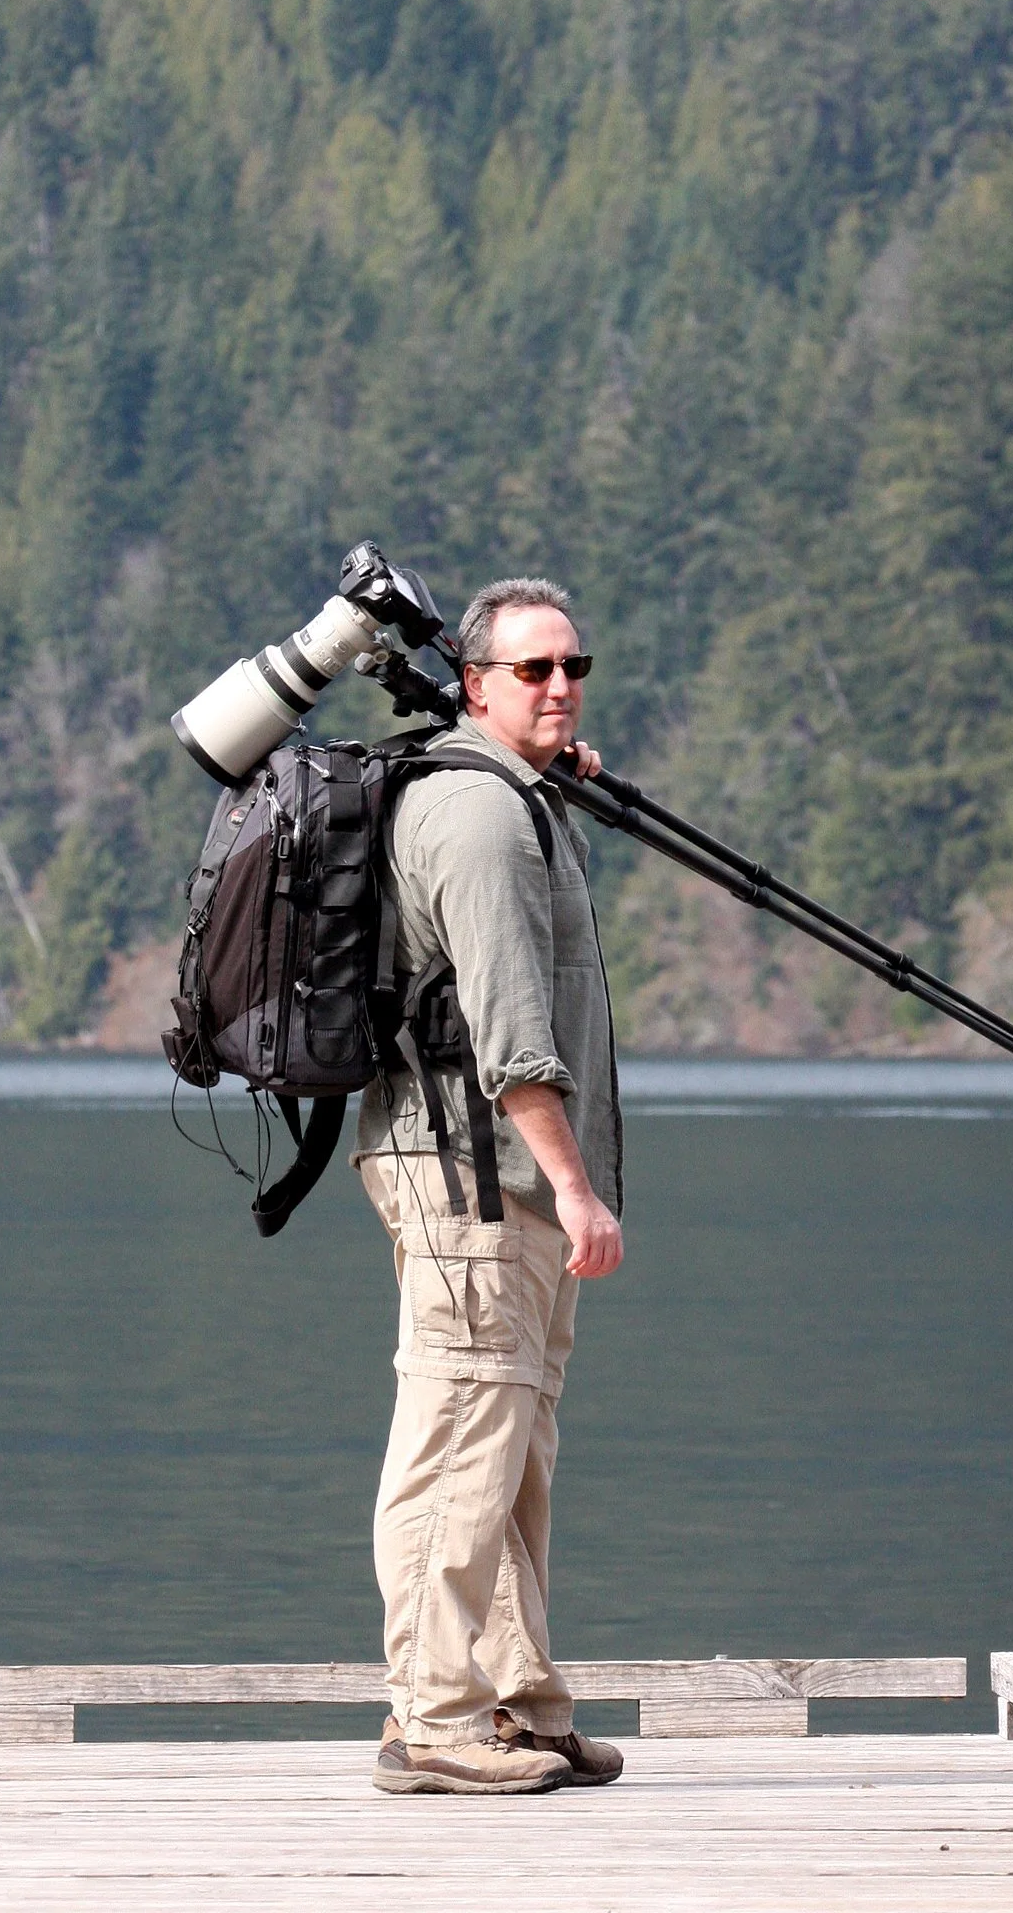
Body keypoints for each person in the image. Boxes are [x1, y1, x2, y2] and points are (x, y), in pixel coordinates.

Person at [352, 576, 626, 1796]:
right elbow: (512, 1031)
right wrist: (575, 1187)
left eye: (573, 667)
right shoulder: (474, 815)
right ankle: (433, 1719)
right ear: (475, 685)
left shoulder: (521, 800)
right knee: (460, 1433)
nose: (560, 686)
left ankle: (516, 1699)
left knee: (512, 1444)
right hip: (473, 1171)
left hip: (495, 1176)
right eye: (533, 670)